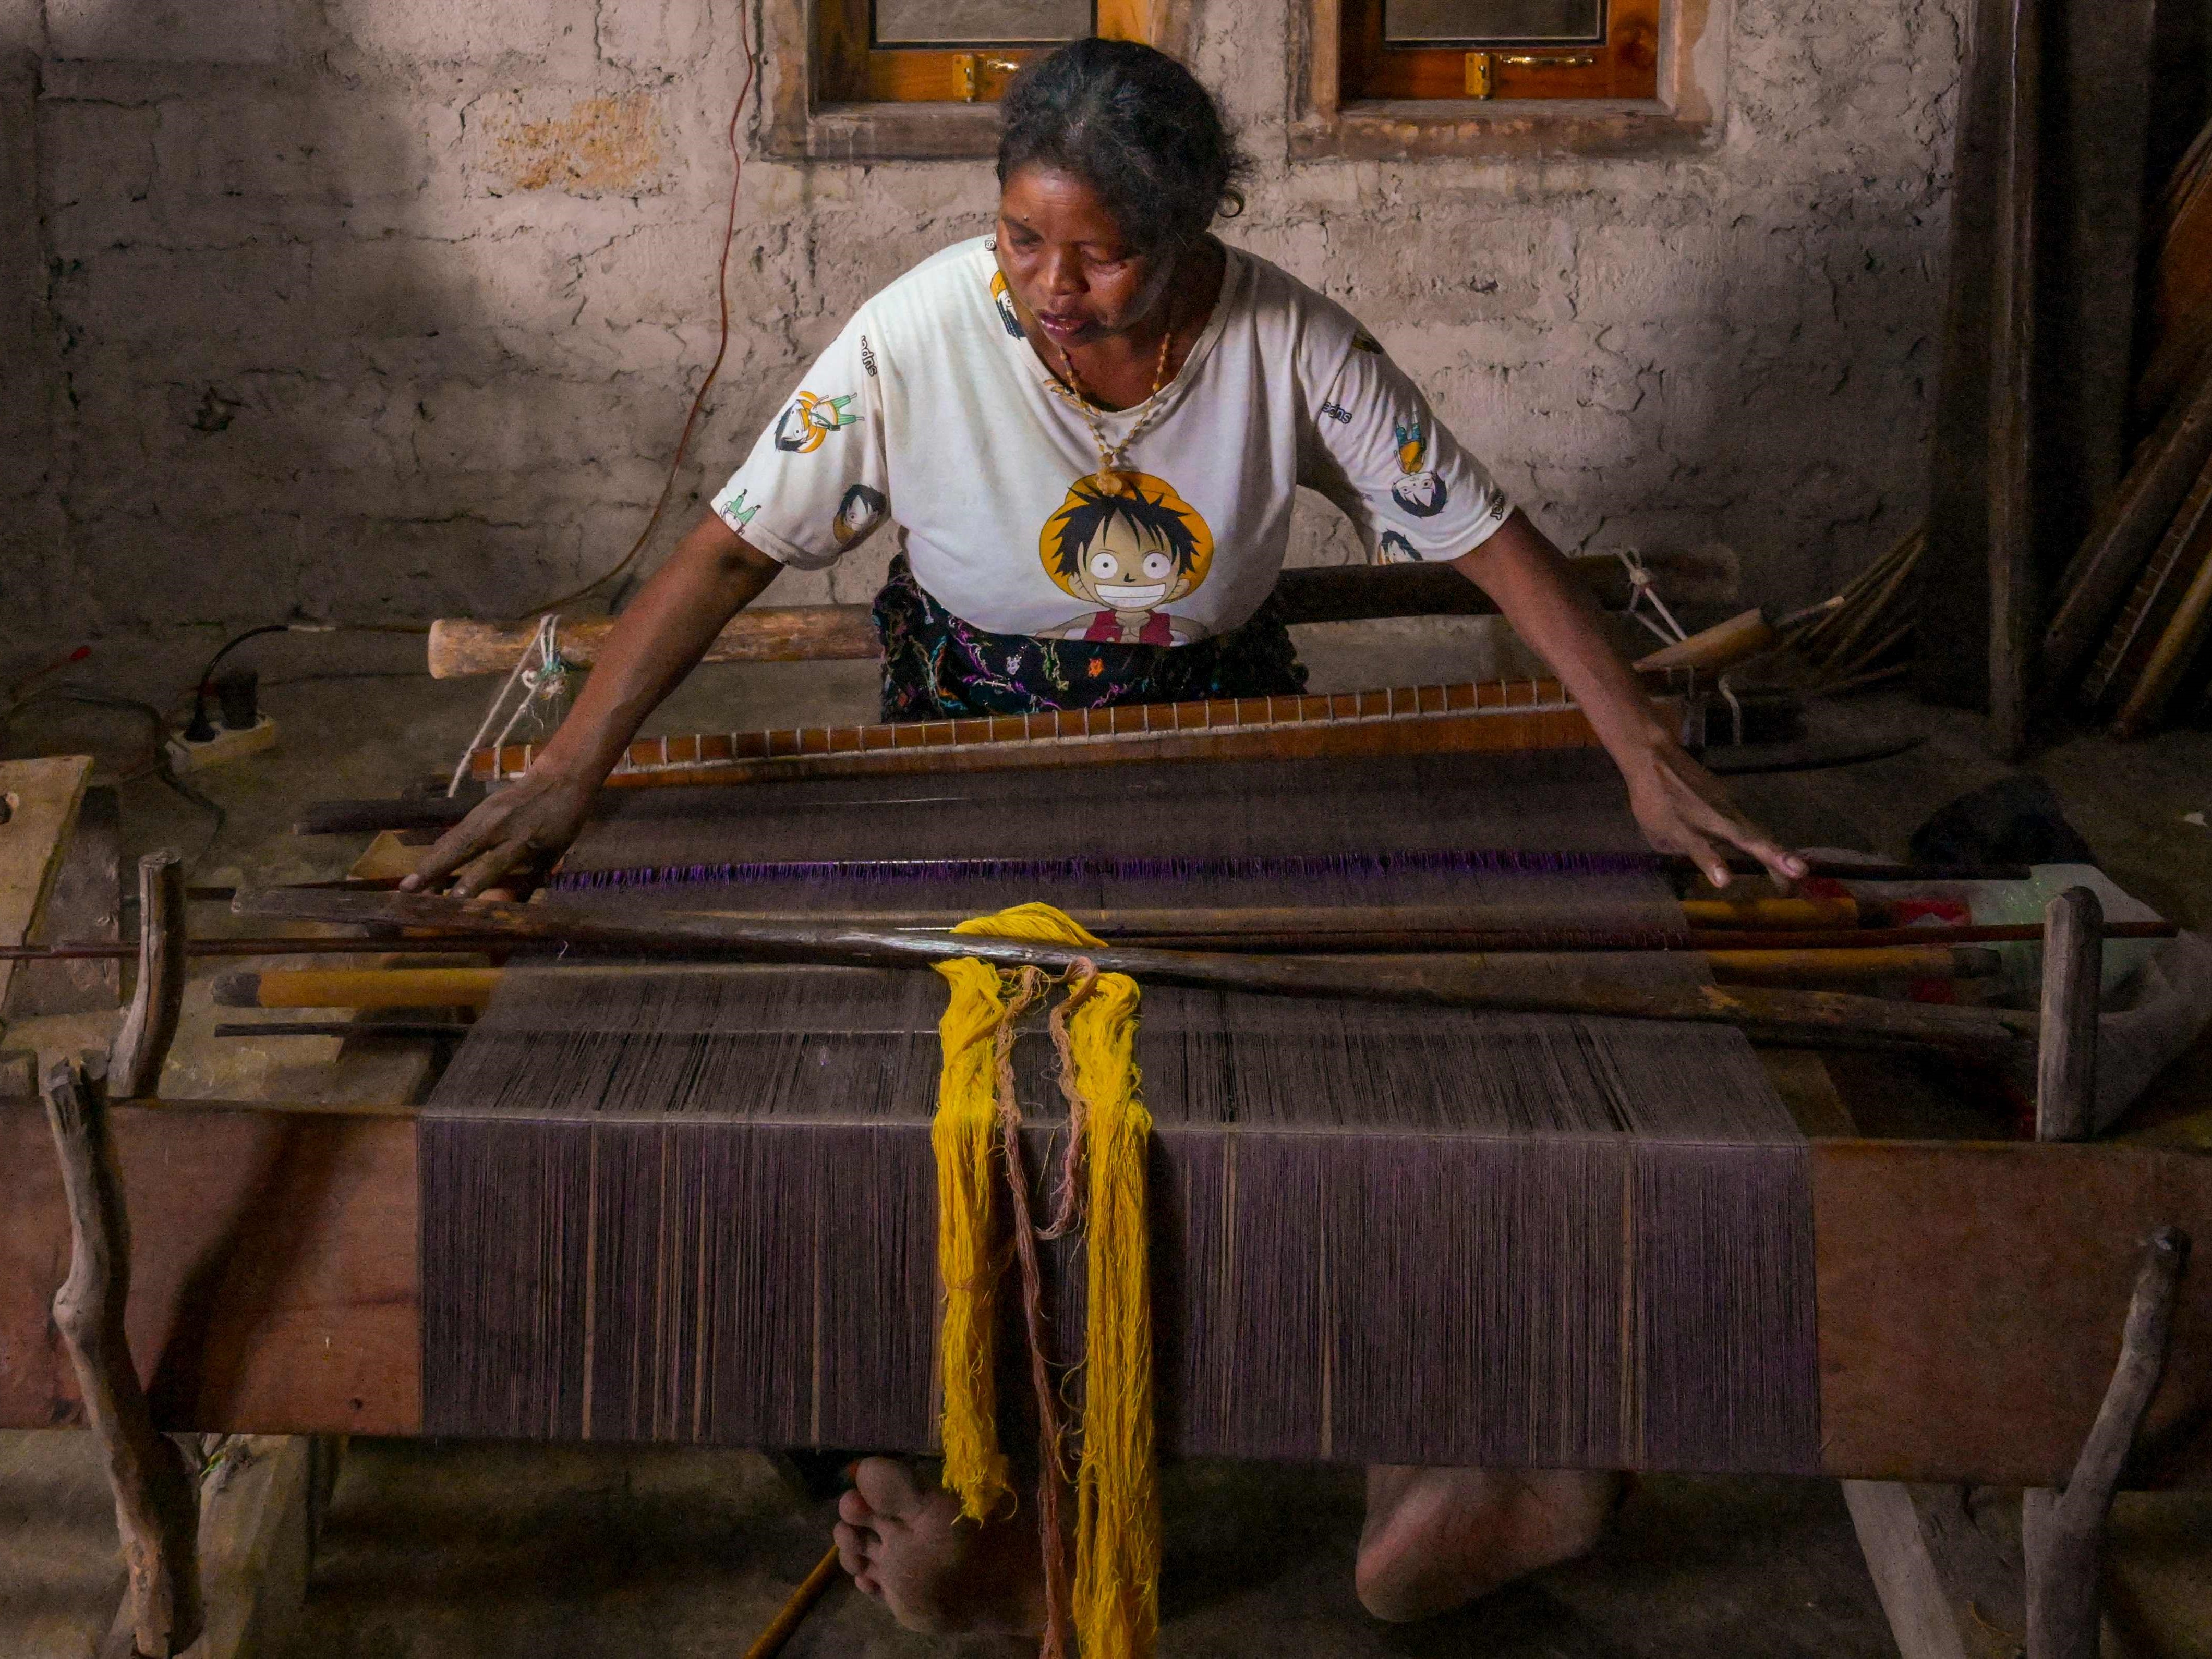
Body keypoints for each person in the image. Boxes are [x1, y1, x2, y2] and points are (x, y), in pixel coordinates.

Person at [406, 37, 1807, 1634]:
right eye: (1022, 237)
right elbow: (729, 553)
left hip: (1218, 749)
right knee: (909, 1095)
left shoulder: (1285, 340)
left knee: (1304, 1054)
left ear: (1196, 229)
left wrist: (1634, 753)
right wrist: (577, 766)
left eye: (1101, 252)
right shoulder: (925, 329)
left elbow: (1488, 539)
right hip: (962, 757)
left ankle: (1451, 1451)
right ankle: (983, 1490)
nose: (1049, 286)